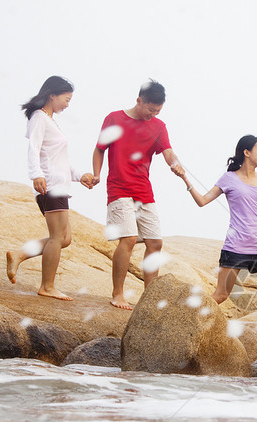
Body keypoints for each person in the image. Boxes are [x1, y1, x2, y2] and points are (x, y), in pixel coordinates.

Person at [181, 135, 257, 347]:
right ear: (246, 152)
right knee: (221, 295)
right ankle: (185, 321)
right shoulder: (229, 178)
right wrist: (186, 179)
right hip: (235, 248)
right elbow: (202, 201)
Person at [92, 79, 186, 310]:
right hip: (119, 188)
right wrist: (96, 174)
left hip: (143, 190)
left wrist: (175, 164)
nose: (152, 114)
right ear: (139, 101)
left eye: (158, 111)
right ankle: (118, 294)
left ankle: (149, 298)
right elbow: (99, 149)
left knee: (155, 242)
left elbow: (167, 151)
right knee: (129, 239)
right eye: (150, 109)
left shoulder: (158, 126)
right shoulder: (114, 119)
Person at [7, 75, 95, 300]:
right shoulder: (39, 117)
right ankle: (47, 286)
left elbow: (59, 159)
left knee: (64, 239)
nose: (68, 104)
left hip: (60, 184)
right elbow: (34, 148)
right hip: (51, 185)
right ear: (52, 95)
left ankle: (19, 254)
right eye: (66, 99)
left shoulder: (50, 120)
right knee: (57, 238)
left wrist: (79, 176)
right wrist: (35, 174)